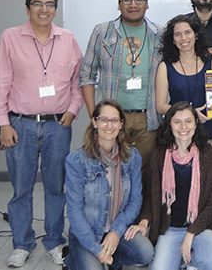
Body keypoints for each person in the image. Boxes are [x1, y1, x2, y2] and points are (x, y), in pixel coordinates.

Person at [0, 0, 83, 268]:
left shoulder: (68, 38)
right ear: (27, 7)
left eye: (49, 4)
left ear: (56, 8)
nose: (44, 9)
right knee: (21, 189)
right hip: (21, 125)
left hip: (58, 125)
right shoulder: (10, 37)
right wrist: (3, 124)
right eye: (38, 4)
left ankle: (55, 241)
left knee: (56, 188)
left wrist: (73, 109)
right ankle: (22, 243)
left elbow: (77, 82)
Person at [130, 101, 212, 270]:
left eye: (188, 121)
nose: (183, 127)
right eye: (177, 121)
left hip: (202, 227)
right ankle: (185, 262)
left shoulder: (211, 155)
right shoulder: (158, 156)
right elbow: (151, 197)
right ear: (170, 125)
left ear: (196, 123)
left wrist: (191, 233)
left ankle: (189, 262)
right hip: (170, 229)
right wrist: (144, 222)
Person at [80, 0, 164, 168]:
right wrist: (95, 114)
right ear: (119, 5)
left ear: (147, 3)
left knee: (144, 173)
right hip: (112, 117)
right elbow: (86, 74)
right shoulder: (102, 32)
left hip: (148, 119)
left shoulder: (160, 34)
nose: (133, 4)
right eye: (127, 0)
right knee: (109, 170)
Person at [65, 99, 154, 270]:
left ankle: (110, 257)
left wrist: (116, 231)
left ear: (121, 124)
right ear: (95, 122)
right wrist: (95, 249)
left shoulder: (132, 156)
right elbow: (74, 211)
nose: (109, 125)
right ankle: (76, 260)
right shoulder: (77, 160)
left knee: (145, 252)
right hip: (87, 233)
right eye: (103, 119)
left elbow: (135, 201)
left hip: (116, 228)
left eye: (114, 120)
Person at [155, 14, 212, 151]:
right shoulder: (165, 66)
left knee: (209, 172)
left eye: (188, 32)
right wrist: (189, 113)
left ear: (196, 35)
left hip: (209, 132)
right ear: (173, 40)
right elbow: (161, 106)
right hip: (179, 134)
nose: (184, 38)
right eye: (178, 34)